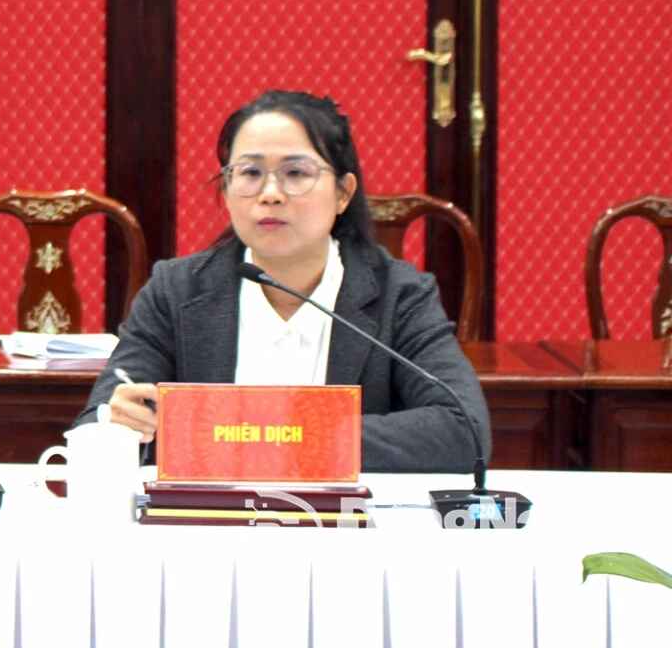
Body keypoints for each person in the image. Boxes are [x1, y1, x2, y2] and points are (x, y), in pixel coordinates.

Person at [81, 90, 488, 472]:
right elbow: (97, 422)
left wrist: (282, 435)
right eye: (250, 172)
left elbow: (462, 429)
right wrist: (115, 421)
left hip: (344, 531)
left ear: (344, 193)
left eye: (296, 173)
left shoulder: (399, 295)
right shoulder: (176, 290)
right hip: (205, 525)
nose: (270, 193)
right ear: (226, 189)